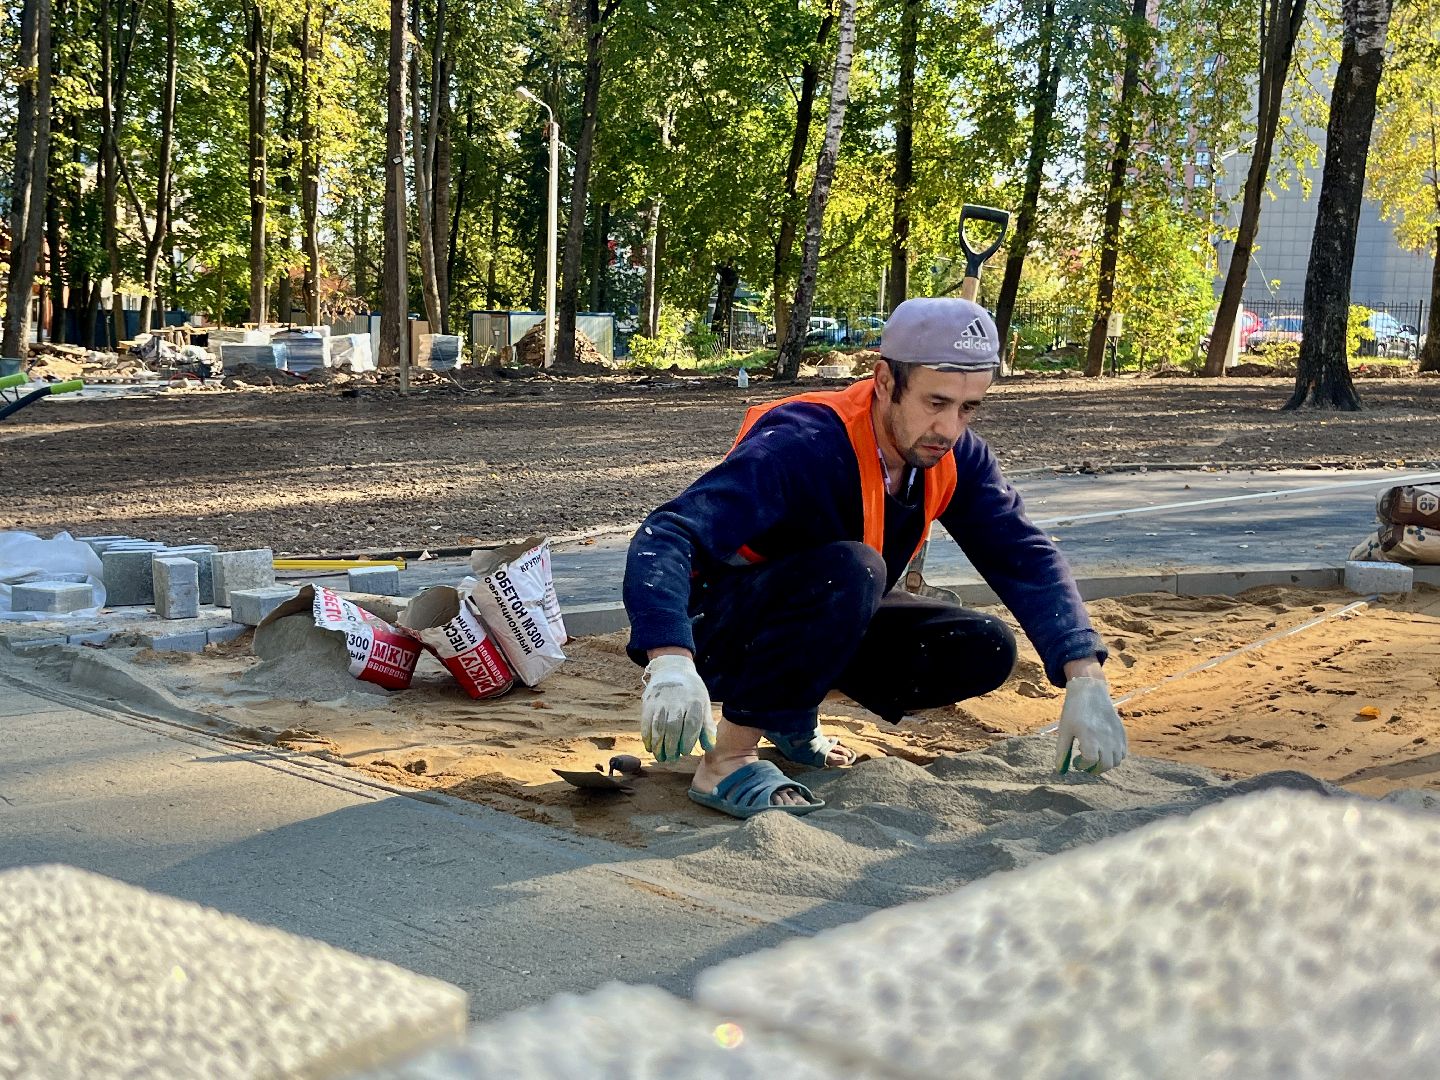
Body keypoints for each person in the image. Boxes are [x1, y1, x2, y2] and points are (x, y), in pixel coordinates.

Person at [621, 297, 1126, 818]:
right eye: (936, 402)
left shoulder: (953, 456)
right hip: (715, 632)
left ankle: (786, 714)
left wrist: (1085, 673)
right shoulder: (803, 442)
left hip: (816, 616)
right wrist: (671, 662)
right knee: (854, 570)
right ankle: (728, 760)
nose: (950, 429)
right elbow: (668, 534)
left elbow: (1024, 555)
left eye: (968, 408)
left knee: (981, 647)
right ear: (885, 380)